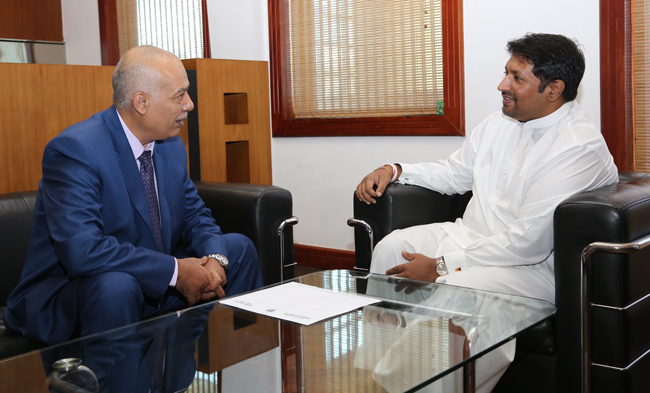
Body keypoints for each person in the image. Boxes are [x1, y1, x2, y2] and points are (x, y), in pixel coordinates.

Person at [356, 32, 619, 392]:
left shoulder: (577, 146)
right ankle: (377, 376)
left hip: (531, 268)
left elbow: (528, 243)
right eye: (506, 73)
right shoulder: (500, 122)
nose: (502, 85)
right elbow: (453, 173)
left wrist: (440, 265)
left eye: (516, 78)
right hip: (472, 237)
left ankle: (423, 386)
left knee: (459, 285)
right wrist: (396, 169)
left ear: (553, 89)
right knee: (390, 247)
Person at [3, 45, 264, 346]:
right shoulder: (76, 150)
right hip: (77, 293)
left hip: (147, 280)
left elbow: (195, 215)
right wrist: (176, 272)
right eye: (180, 95)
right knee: (118, 286)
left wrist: (216, 260)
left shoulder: (169, 146)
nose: (189, 104)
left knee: (238, 250)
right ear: (141, 102)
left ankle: (229, 358)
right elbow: (83, 251)